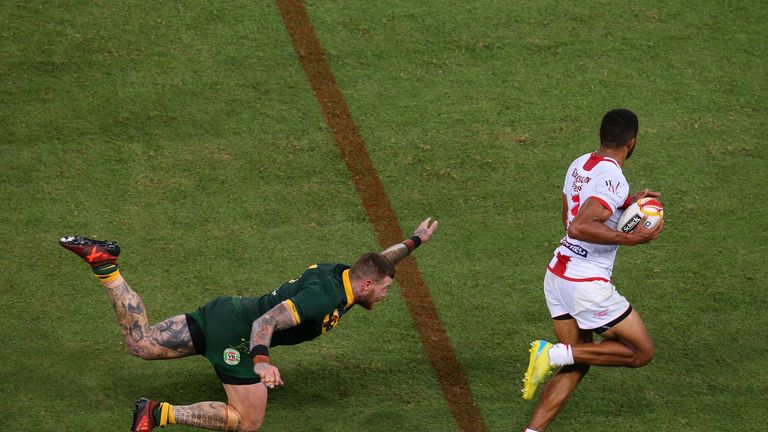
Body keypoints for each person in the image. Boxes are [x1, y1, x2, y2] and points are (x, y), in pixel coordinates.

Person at [59, 218, 438, 432]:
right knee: (246, 422)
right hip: (239, 334)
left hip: (226, 310)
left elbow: (379, 263)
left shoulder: (344, 276)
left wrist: (414, 241)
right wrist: (260, 362)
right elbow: (267, 321)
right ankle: (156, 413)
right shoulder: (324, 298)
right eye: (386, 289)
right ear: (368, 285)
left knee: (140, 343)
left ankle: (105, 265)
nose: (387, 295)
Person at [520, 109, 663, 431]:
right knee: (640, 352)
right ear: (633, 141)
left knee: (578, 358)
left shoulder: (581, 164)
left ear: (602, 136)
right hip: (585, 282)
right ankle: (550, 354)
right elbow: (580, 226)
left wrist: (628, 203)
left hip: (558, 275)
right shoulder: (613, 178)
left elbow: (569, 218)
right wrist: (630, 238)